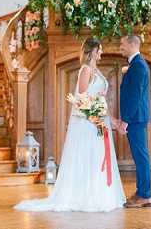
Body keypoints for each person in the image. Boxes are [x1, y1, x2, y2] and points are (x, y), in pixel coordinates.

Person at [14, 38, 126, 212]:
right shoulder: (85, 70)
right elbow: (81, 99)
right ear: (92, 52)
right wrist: (96, 116)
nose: (101, 53)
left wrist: (111, 120)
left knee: (98, 159)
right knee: (89, 159)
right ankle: (84, 197)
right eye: (99, 50)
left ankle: (100, 194)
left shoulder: (96, 71)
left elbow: (99, 100)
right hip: (88, 124)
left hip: (99, 122)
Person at [119, 35, 151, 208]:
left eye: (122, 44)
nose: (120, 47)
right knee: (140, 156)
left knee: (141, 157)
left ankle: (145, 195)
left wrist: (125, 120)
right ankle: (142, 192)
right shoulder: (135, 65)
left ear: (132, 44)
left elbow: (134, 96)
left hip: (136, 118)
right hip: (136, 118)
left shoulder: (138, 65)